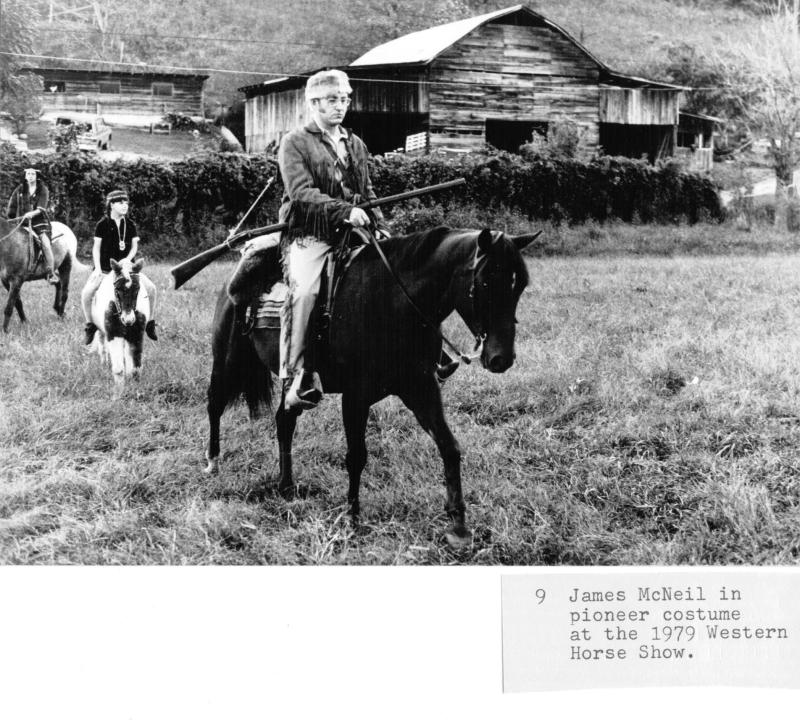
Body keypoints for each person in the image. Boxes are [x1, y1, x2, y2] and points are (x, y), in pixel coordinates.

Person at [246, 69, 389, 411]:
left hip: (353, 230)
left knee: (396, 271)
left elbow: (366, 191)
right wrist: (343, 211)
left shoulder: (355, 143)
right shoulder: (295, 142)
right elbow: (301, 192)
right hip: (309, 231)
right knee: (307, 290)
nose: (340, 106)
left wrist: (380, 224)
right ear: (313, 103)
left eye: (344, 99)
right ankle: (295, 374)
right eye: (332, 100)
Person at [81, 189, 158, 344]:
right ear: (111, 205)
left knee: (151, 288)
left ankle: (150, 323)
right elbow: (96, 248)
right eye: (120, 203)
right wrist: (96, 268)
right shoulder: (102, 224)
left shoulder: (130, 224)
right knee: (87, 292)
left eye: (126, 202)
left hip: (128, 269)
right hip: (105, 269)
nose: (125, 205)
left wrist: (127, 260)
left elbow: (134, 247)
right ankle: (90, 325)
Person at [6, 168, 59, 284]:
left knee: (45, 243)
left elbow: (41, 207)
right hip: (22, 222)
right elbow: (12, 206)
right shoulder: (19, 189)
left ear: (37, 176)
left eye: (32, 174)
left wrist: (32, 213)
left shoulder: (43, 189)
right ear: (25, 176)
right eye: (28, 174)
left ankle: (51, 272)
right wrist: (10, 219)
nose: (30, 176)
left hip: (39, 222)